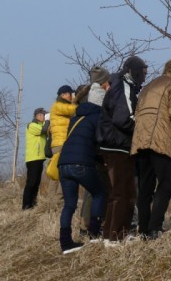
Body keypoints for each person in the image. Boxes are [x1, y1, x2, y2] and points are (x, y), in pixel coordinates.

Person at [131, 56, 171, 240]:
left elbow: (136, 112)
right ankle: (154, 228)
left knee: (145, 187)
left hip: (140, 140)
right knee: (166, 184)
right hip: (160, 140)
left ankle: (143, 229)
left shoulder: (148, 86)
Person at [97, 56, 148, 247]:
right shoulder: (123, 86)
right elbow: (124, 118)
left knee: (117, 192)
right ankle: (117, 236)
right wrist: (144, 128)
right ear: (133, 71)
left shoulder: (119, 84)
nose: (143, 76)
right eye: (142, 72)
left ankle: (111, 235)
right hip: (118, 145)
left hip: (114, 145)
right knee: (124, 193)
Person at [57, 101, 105, 254]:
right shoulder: (97, 117)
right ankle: (94, 233)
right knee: (99, 193)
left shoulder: (75, 119)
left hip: (63, 164)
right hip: (81, 163)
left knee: (69, 205)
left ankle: (65, 243)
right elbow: (100, 139)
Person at [79, 66, 112, 234]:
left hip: (87, 147)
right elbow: (102, 126)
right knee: (97, 189)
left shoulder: (84, 95)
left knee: (92, 190)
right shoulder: (99, 98)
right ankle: (91, 227)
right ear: (103, 82)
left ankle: (86, 226)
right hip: (96, 149)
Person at [22, 107, 50, 210]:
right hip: (33, 158)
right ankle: (26, 205)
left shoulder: (42, 125)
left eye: (43, 115)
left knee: (37, 183)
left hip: (40, 157)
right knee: (31, 182)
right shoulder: (32, 125)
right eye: (40, 115)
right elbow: (44, 130)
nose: (42, 117)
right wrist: (47, 120)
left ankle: (33, 204)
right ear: (36, 116)